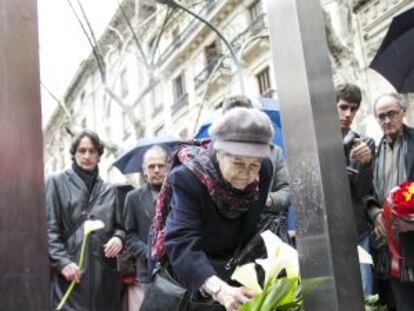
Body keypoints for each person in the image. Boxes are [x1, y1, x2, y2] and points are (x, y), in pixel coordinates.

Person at [150, 107, 274, 311]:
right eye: (238, 163)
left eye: (254, 165)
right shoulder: (188, 178)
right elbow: (181, 239)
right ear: (218, 153)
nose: (247, 175)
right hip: (192, 274)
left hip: (233, 269)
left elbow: (250, 227)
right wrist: (217, 288)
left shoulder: (265, 170)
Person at [46, 130, 124, 311]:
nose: (87, 156)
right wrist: (61, 262)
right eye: (82, 151)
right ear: (73, 154)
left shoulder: (109, 190)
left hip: (103, 277)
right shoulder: (56, 182)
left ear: (99, 155)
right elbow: (49, 229)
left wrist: (119, 238)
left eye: (92, 151)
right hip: (71, 273)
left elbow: (121, 227)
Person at [222, 96, 291, 243]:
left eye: (244, 119)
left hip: (266, 233)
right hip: (229, 233)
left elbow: (287, 191)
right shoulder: (216, 156)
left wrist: (268, 199)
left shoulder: (273, 152)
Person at [369, 93, 414, 311]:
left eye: (391, 114)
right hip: (391, 247)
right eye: (381, 116)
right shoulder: (374, 151)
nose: (386, 120)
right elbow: (368, 193)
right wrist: (376, 213)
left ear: (403, 112)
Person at [335, 83, 376, 295]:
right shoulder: (317, 142)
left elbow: (363, 191)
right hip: (328, 233)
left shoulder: (363, 143)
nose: (348, 114)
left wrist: (367, 163)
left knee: (366, 294)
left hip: (357, 231)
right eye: (343, 107)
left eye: (353, 109)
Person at [124, 146, 168, 311]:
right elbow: (130, 236)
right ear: (144, 170)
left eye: (160, 165)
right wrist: (151, 252)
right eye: (151, 166)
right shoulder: (133, 198)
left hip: (179, 271)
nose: (156, 170)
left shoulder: (180, 194)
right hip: (149, 273)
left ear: (168, 167)